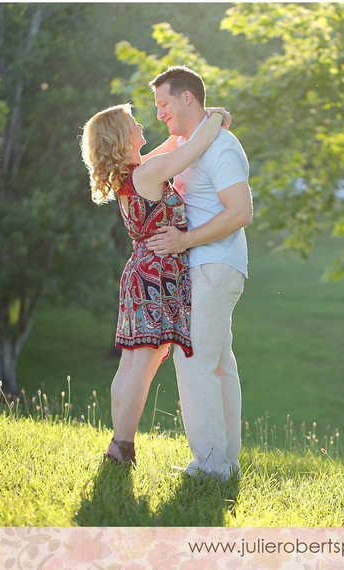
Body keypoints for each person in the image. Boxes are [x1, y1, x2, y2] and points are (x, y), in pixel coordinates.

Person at [80, 102, 228, 465]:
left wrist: (193, 120)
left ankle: (118, 443)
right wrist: (219, 119)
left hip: (143, 272)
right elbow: (192, 148)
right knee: (140, 367)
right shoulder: (147, 174)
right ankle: (122, 446)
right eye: (134, 122)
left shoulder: (135, 172)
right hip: (155, 275)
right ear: (122, 136)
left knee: (131, 365)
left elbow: (177, 141)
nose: (142, 123)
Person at [145, 65, 253, 480]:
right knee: (218, 363)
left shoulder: (220, 146)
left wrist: (185, 241)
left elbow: (240, 212)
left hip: (213, 263)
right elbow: (142, 164)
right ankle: (223, 462)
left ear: (187, 97)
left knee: (194, 361)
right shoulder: (192, 141)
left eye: (164, 103)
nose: (160, 113)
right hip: (210, 265)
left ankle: (209, 466)